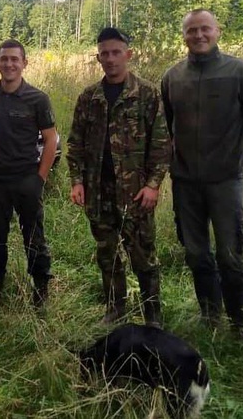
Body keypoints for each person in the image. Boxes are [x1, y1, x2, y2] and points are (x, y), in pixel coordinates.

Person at [161, 9, 243, 346]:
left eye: (205, 29)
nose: (198, 35)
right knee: (195, 253)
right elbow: (167, 126)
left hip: (225, 182)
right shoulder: (173, 77)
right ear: (184, 36)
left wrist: (234, 157)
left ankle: (239, 325)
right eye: (191, 30)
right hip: (186, 182)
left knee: (231, 255)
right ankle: (210, 315)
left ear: (218, 31)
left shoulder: (240, 72)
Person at [67, 28, 171, 328]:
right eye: (104, 54)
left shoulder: (147, 94)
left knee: (144, 257)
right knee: (107, 255)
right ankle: (116, 309)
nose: (110, 59)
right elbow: (75, 142)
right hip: (99, 192)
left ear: (128, 54)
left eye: (116, 52)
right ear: (98, 57)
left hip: (136, 193)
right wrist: (77, 181)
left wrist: (153, 185)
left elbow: (162, 143)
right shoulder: (90, 97)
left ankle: (153, 314)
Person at [0, 39, 57, 307]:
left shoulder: (38, 99)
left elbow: (51, 140)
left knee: (33, 236)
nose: (9, 64)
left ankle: (40, 287)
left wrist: (39, 178)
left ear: (24, 63)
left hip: (25, 179)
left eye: (14, 59)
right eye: (4, 59)